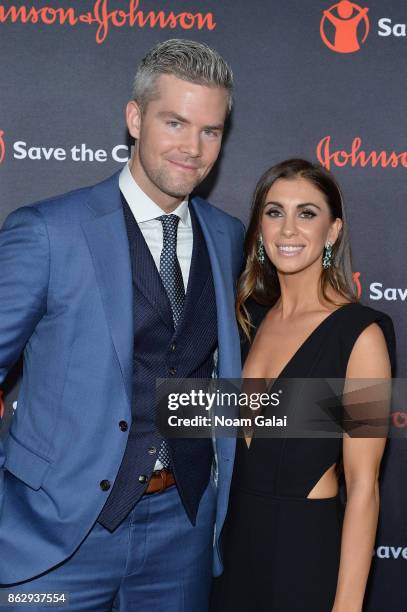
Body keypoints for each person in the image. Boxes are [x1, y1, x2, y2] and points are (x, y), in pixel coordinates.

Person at [0, 39, 244, 610]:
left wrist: (355, 409)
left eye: (211, 130)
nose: (193, 147)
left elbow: (208, 385)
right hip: (55, 534)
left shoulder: (228, 235)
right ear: (135, 118)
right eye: (175, 122)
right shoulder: (47, 231)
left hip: (182, 532)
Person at [211, 159, 395, 612]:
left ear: (332, 232)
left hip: (304, 557)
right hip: (228, 558)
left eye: (306, 213)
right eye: (274, 212)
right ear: (258, 228)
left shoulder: (360, 335)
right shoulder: (243, 322)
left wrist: (347, 606)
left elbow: (364, 488)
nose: (288, 229)